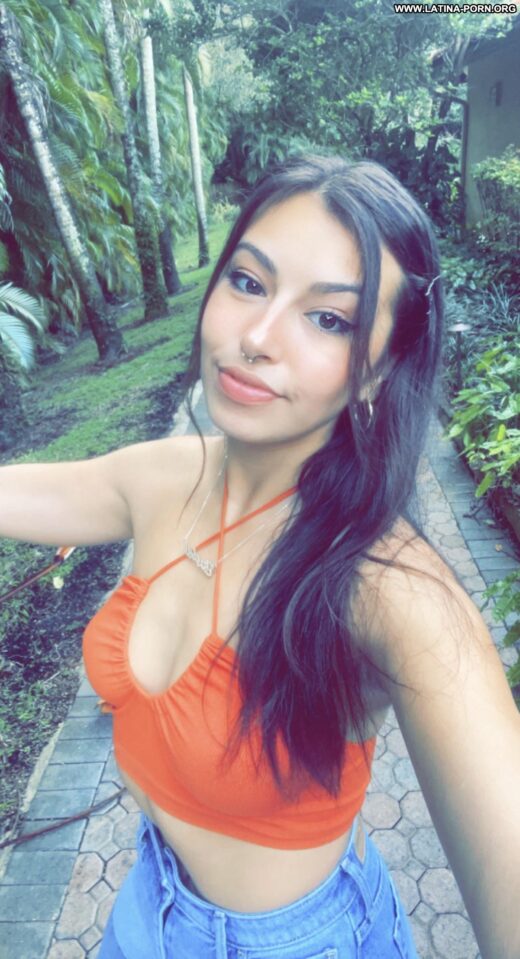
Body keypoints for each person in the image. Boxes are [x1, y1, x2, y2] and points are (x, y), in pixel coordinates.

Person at [1, 155, 519, 959]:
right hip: (146, 903)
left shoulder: (388, 587)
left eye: (329, 319)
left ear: (379, 368)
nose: (256, 337)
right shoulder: (160, 477)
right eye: (248, 281)